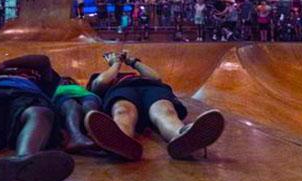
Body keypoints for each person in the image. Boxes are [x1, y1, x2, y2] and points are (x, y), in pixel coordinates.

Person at [83, 50, 224, 162]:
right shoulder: (104, 76)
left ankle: (183, 137)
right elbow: (101, 82)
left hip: (151, 88)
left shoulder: (143, 77)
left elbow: (156, 78)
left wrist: (133, 62)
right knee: (122, 112)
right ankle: (121, 141)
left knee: (166, 112)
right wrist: (115, 63)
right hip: (122, 90)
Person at [53, 76, 106, 156]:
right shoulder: (55, 89)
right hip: (63, 97)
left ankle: (95, 135)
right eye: (62, 80)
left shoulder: (81, 89)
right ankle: (76, 137)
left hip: (87, 96)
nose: (65, 81)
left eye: (68, 80)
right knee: (71, 106)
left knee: (89, 106)